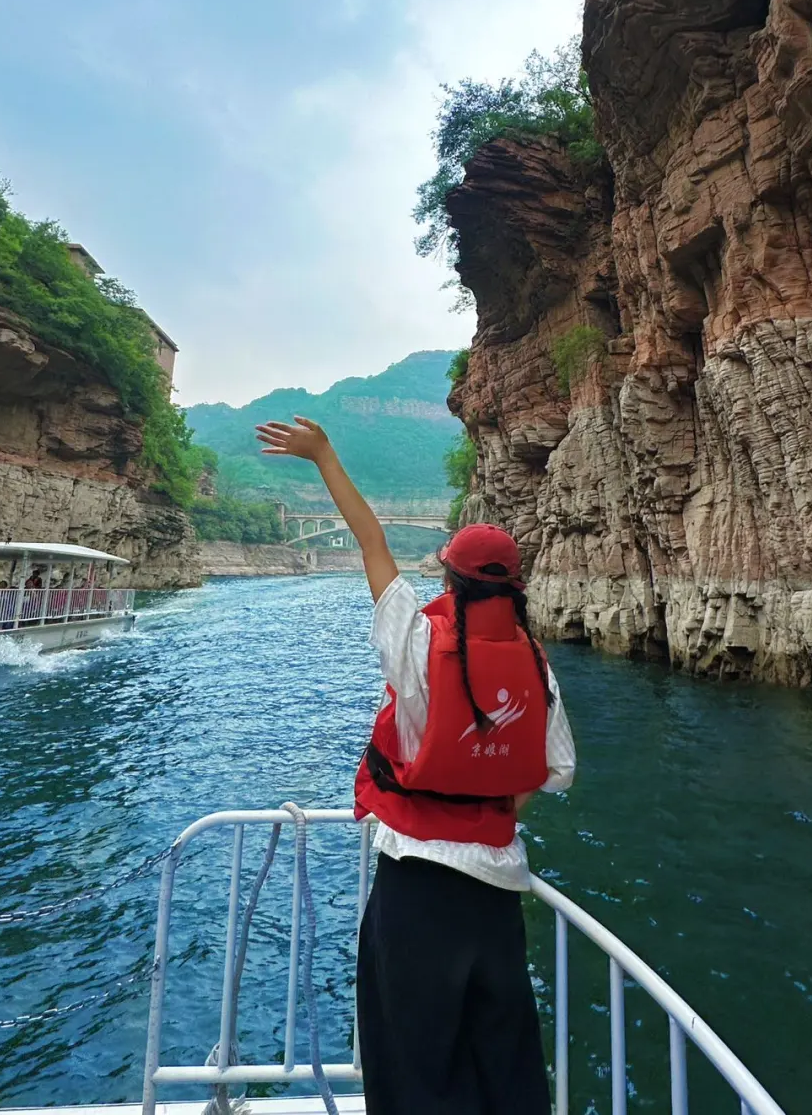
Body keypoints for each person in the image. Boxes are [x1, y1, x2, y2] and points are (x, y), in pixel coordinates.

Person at [256, 416, 575, 1115]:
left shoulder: (417, 641)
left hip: (417, 891)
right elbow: (548, 772)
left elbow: (371, 543)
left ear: (450, 579)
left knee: (412, 1069)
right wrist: (483, 802)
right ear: (515, 589)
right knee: (504, 1065)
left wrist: (324, 453)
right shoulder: (537, 667)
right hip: (497, 896)